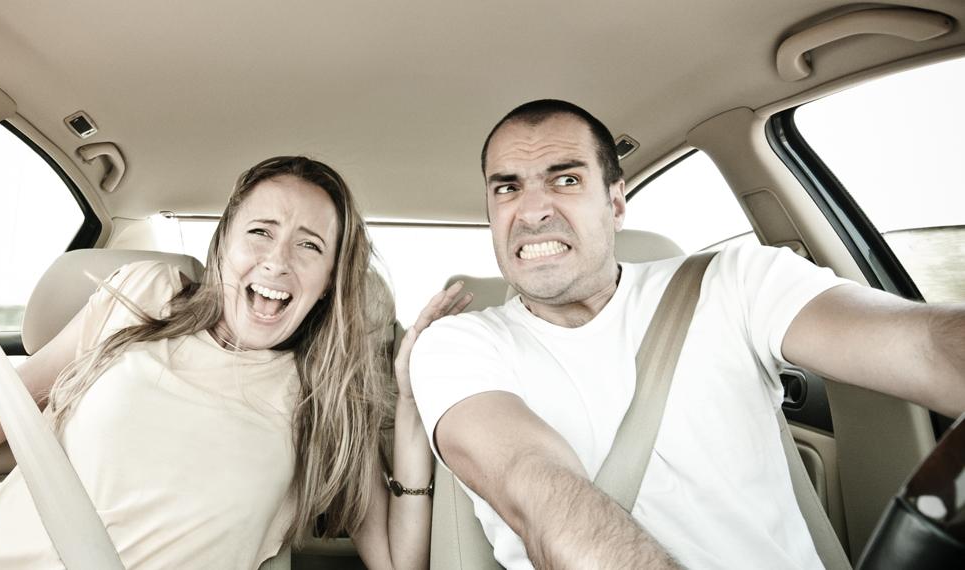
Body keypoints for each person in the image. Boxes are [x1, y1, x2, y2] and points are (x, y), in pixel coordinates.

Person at [0, 156, 470, 569]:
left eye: (310, 245)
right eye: (261, 231)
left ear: (330, 279)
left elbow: (397, 563)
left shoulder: (326, 397)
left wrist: (409, 405)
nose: (278, 261)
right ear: (221, 247)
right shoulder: (141, 296)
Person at [408, 99, 965, 569]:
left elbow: (922, 345)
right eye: (507, 189)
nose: (530, 212)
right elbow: (539, 494)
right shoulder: (457, 346)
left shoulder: (736, 280)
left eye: (567, 179)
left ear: (617, 202)